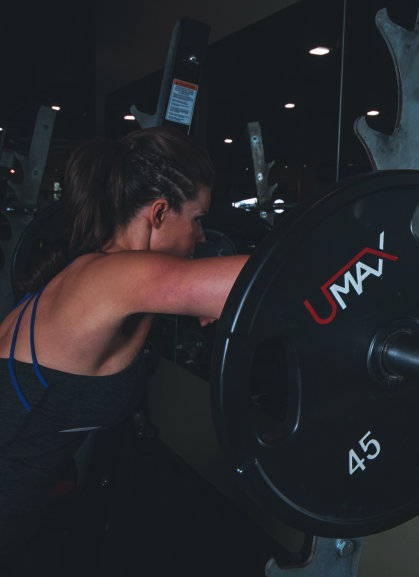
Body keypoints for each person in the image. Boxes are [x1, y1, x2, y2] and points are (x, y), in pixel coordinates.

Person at [0, 126, 249, 571]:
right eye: (196, 219)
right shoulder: (111, 277)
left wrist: (200, 296)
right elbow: (266, 279)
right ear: (157, 213)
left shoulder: (94, 274)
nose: (201, 236)